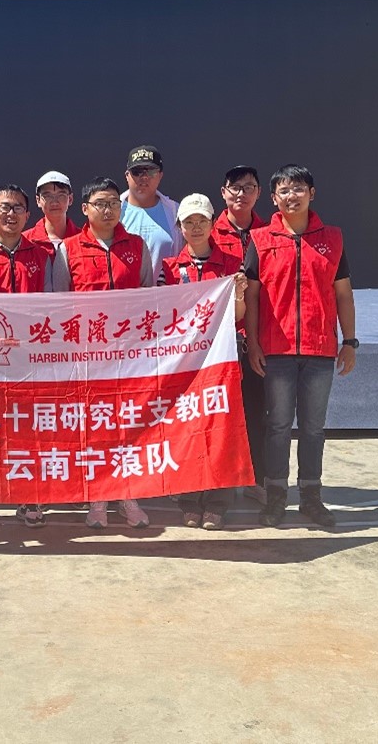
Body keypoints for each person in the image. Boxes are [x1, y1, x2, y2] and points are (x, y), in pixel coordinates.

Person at [243, 165, 357, 529]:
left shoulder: (332, 239)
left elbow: (343, 294)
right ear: (273, 198)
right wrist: (254, 343)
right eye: (284, 191)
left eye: (298, 189)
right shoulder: (260, 239)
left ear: (312, 193)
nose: (292, 196)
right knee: (277, 426)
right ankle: (276, 497)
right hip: (275, 352)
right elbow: (252, 297)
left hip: (319, 350)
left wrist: (350, 341)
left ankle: (311, 498)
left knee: (312, 428)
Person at [52, 178, 153, 529]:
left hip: (128, 356)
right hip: (86, 358)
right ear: (84, 209)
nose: (108, 209)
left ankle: (127, 496)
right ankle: (97, 498)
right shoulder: (68, 249)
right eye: (100, 203)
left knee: (128, 425)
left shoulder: (137, 246)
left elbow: (148, 297)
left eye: (113, 202)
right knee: (94, 426)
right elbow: (59, 304)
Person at [0, 184, 55, 530]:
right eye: (4, 208)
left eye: (18, 208)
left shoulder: (42, 255)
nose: (11, 214)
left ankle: (29, 496)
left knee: (27, 427)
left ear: (28, 215)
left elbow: (53, 305)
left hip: (31, 359)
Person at [159, 193, 248, 530]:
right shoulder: (168, 268)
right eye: (188, 222)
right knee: (187, 429)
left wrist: (239, 294)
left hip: (221, 360)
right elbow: (163, 316)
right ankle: (189, 500)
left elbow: (238, 316)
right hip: (184, 362)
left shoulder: (230, 264)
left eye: (202, 221)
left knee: (220, 429)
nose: (195, 227)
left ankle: (217, 502)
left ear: (213, 224)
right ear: (179, 227)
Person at [213, 165, 268, 503]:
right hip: (218, 343)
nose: (241, 194)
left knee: (257, 412)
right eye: (234, 187)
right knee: (217, 414)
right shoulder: (207, 232)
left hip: (258, 339)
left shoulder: (270, 233)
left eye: (249, 187)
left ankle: (255, 478)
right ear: (223, 192)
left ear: (259, 193)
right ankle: (213, 482)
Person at [119, 145, 182, 279]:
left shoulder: (176, 212)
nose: (144, 177)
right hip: (126, 291)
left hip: (167, 291)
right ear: (127, 176)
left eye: (151, 171)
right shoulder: (114, 212)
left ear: (160, 176)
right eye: (137, 172)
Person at [24, 171, 81, 249]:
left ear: (70, 199)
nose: (54, 202)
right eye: (47, 196)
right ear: (38, 200)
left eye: (61, 195)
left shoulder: (84, 240)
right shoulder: (24, 241)